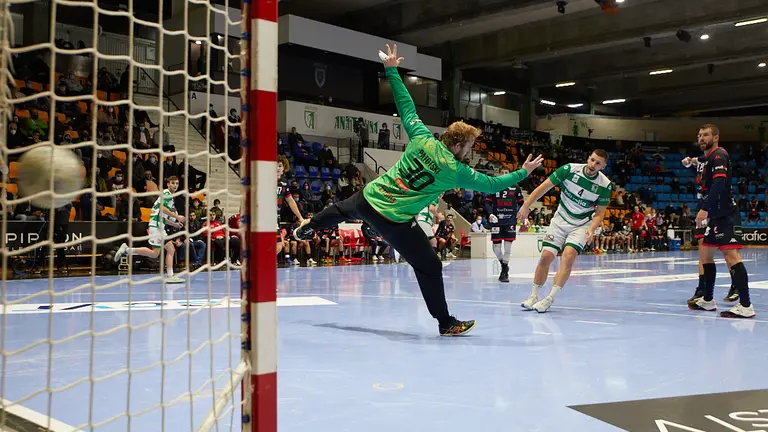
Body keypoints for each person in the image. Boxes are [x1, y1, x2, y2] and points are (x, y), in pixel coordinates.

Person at [293, 44, 543, 336]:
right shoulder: (456, 170)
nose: (471, 151)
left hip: (370, 197)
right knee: (430, 267)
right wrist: (523, 173)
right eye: (470, 146)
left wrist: (390, 70)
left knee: (338, 211)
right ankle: (446, 323)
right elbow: (492, 185)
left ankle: (307, 228)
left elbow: (405, 106)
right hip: (394, 220)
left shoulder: (421, 137)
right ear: (459, 144)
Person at [516, 150, 612, 313]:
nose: (593, 165)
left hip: (581, 224)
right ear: (588, 158)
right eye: (592, 160)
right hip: (560, 219)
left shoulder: (605, 185)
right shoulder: (569, 169)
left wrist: (591, 229)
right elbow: (543, 187)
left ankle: (549, 298)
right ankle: (533, 296)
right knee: (546, 257)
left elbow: (600, 213)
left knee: (568, 257)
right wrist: (526, 205)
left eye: (598, 163)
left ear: (603, 166)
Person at [685, 124, 754, 318]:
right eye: (699, 135)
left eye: (706, 135)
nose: (701, 138)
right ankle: (707, 300)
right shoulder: (706, 159)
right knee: (705, 255)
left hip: (724, 215)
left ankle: (746, 305)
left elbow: (719, 183)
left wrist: (704, 209)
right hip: (715, 216)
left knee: (731, 257)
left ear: (716, 137)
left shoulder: (719, 156)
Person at [114, 176, 185, 283]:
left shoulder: (170, 197)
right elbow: (162, 208)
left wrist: (174, 224)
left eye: (177, 183)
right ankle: (170, 276)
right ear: (168, 184)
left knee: (156, 253)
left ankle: (127, 250)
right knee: (170, 249)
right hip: (156, 226)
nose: (175, 185)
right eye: (173, 183)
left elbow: (162, 216)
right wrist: (178, 217)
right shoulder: (166, 194)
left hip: (159, 225)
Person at [484, 167, 525, 282]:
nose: (504, 174)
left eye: (506, 172)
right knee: (496, 248)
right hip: (496, 221)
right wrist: (490, 214)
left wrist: (523, 215)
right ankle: (505, 266)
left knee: (508, 247)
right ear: (498, 173)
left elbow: (522, 203)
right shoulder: (494, 186)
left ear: (509, 174)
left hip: (510, 221)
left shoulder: (516, 187)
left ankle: (504, 272)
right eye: (502, 172)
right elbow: (487, 202)